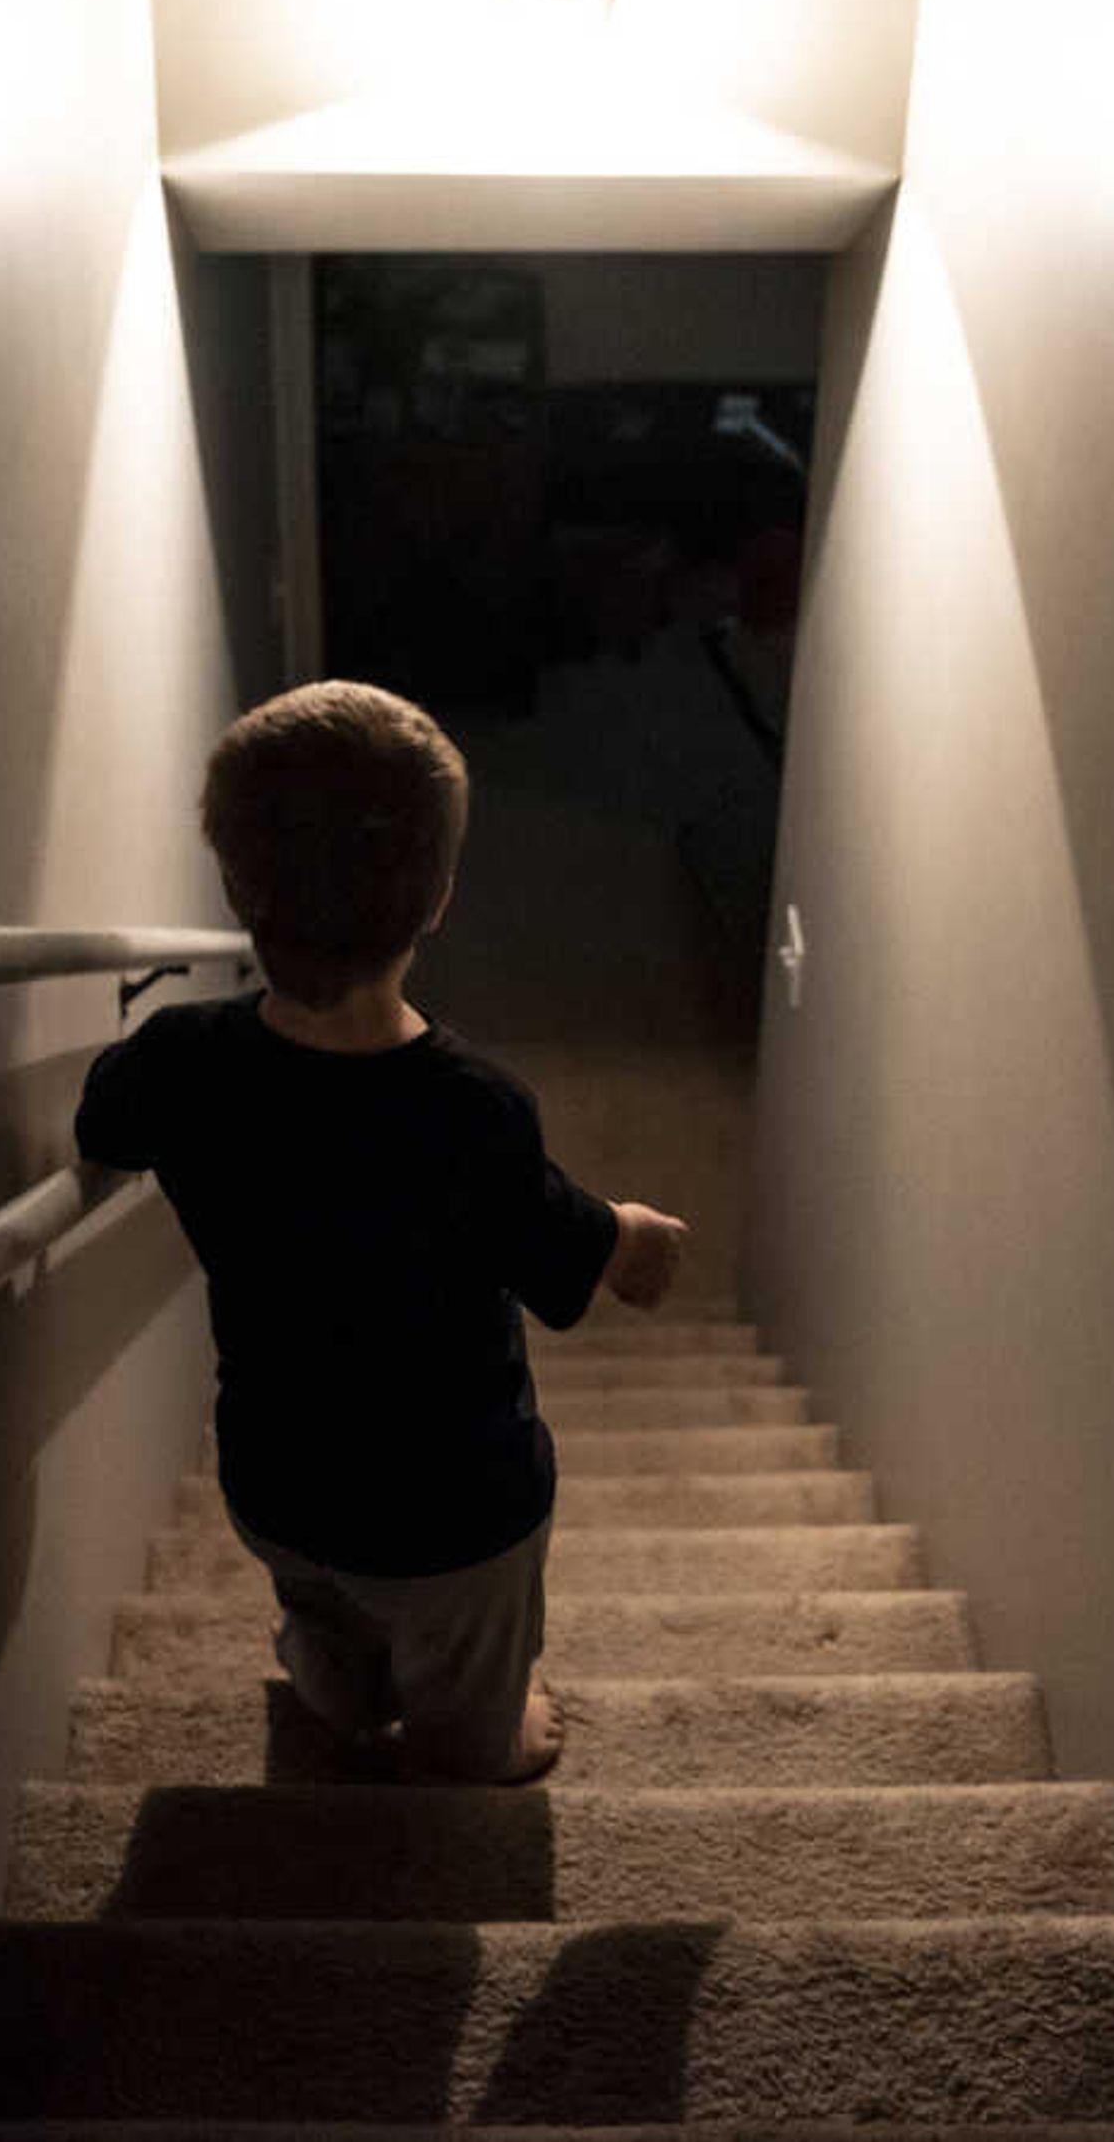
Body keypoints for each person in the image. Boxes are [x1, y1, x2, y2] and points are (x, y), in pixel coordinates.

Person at [74, 680, 691, 1784]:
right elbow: (564, 1254)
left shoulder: (181, 1062)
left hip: (277, 1476)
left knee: (322, 1609)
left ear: (233, 884)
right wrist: (630, 1235)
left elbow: (104, 1123)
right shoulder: (478, 1112)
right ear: (440, 897)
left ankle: (342, 1696)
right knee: (469, 1682)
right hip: (457, 1516)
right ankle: (478, 1737)